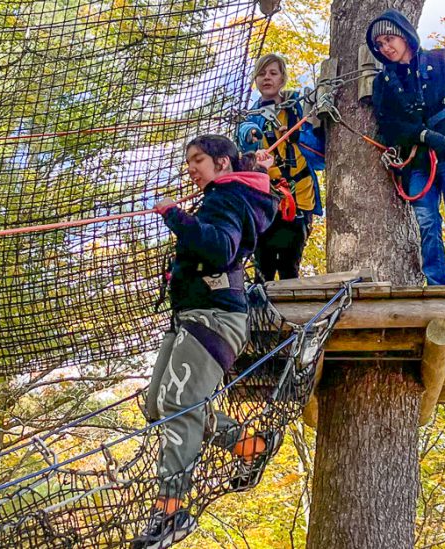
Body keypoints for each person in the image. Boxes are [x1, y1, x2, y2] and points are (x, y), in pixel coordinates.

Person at [133, 135, 281, 549]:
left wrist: (175, 216)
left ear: (221, 162)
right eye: (189, 162)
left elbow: (220, 248)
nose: (191, 169)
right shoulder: (228, 193)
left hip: (212, 316)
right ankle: (250, 445)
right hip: (194, 315)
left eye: (198, 160)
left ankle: (170, 511)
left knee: (180, 405)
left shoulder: (226, 196)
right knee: (159, 406)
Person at [367, 9, 445, 286]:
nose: (386, 47)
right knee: (427, 223)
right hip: (417, 159)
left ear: (404, 35)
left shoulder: (439, 59)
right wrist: (422, 135)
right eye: (380, 45)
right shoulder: (383, 83)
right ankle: (437, 283)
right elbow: (388, 125)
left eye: (389, 38)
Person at [237, 53, 326, 281]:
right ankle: (262, 310)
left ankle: (291, 311)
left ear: (282, 78)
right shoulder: (251, 116)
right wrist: (252, 135)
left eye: (273, 73)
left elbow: (320, 152)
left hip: (299, 197)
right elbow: (244, 135)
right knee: (263, 265)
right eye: (262, 74)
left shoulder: (297, 108)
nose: (267, 78)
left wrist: (300, 134)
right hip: (267, 199)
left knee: (290, 264)